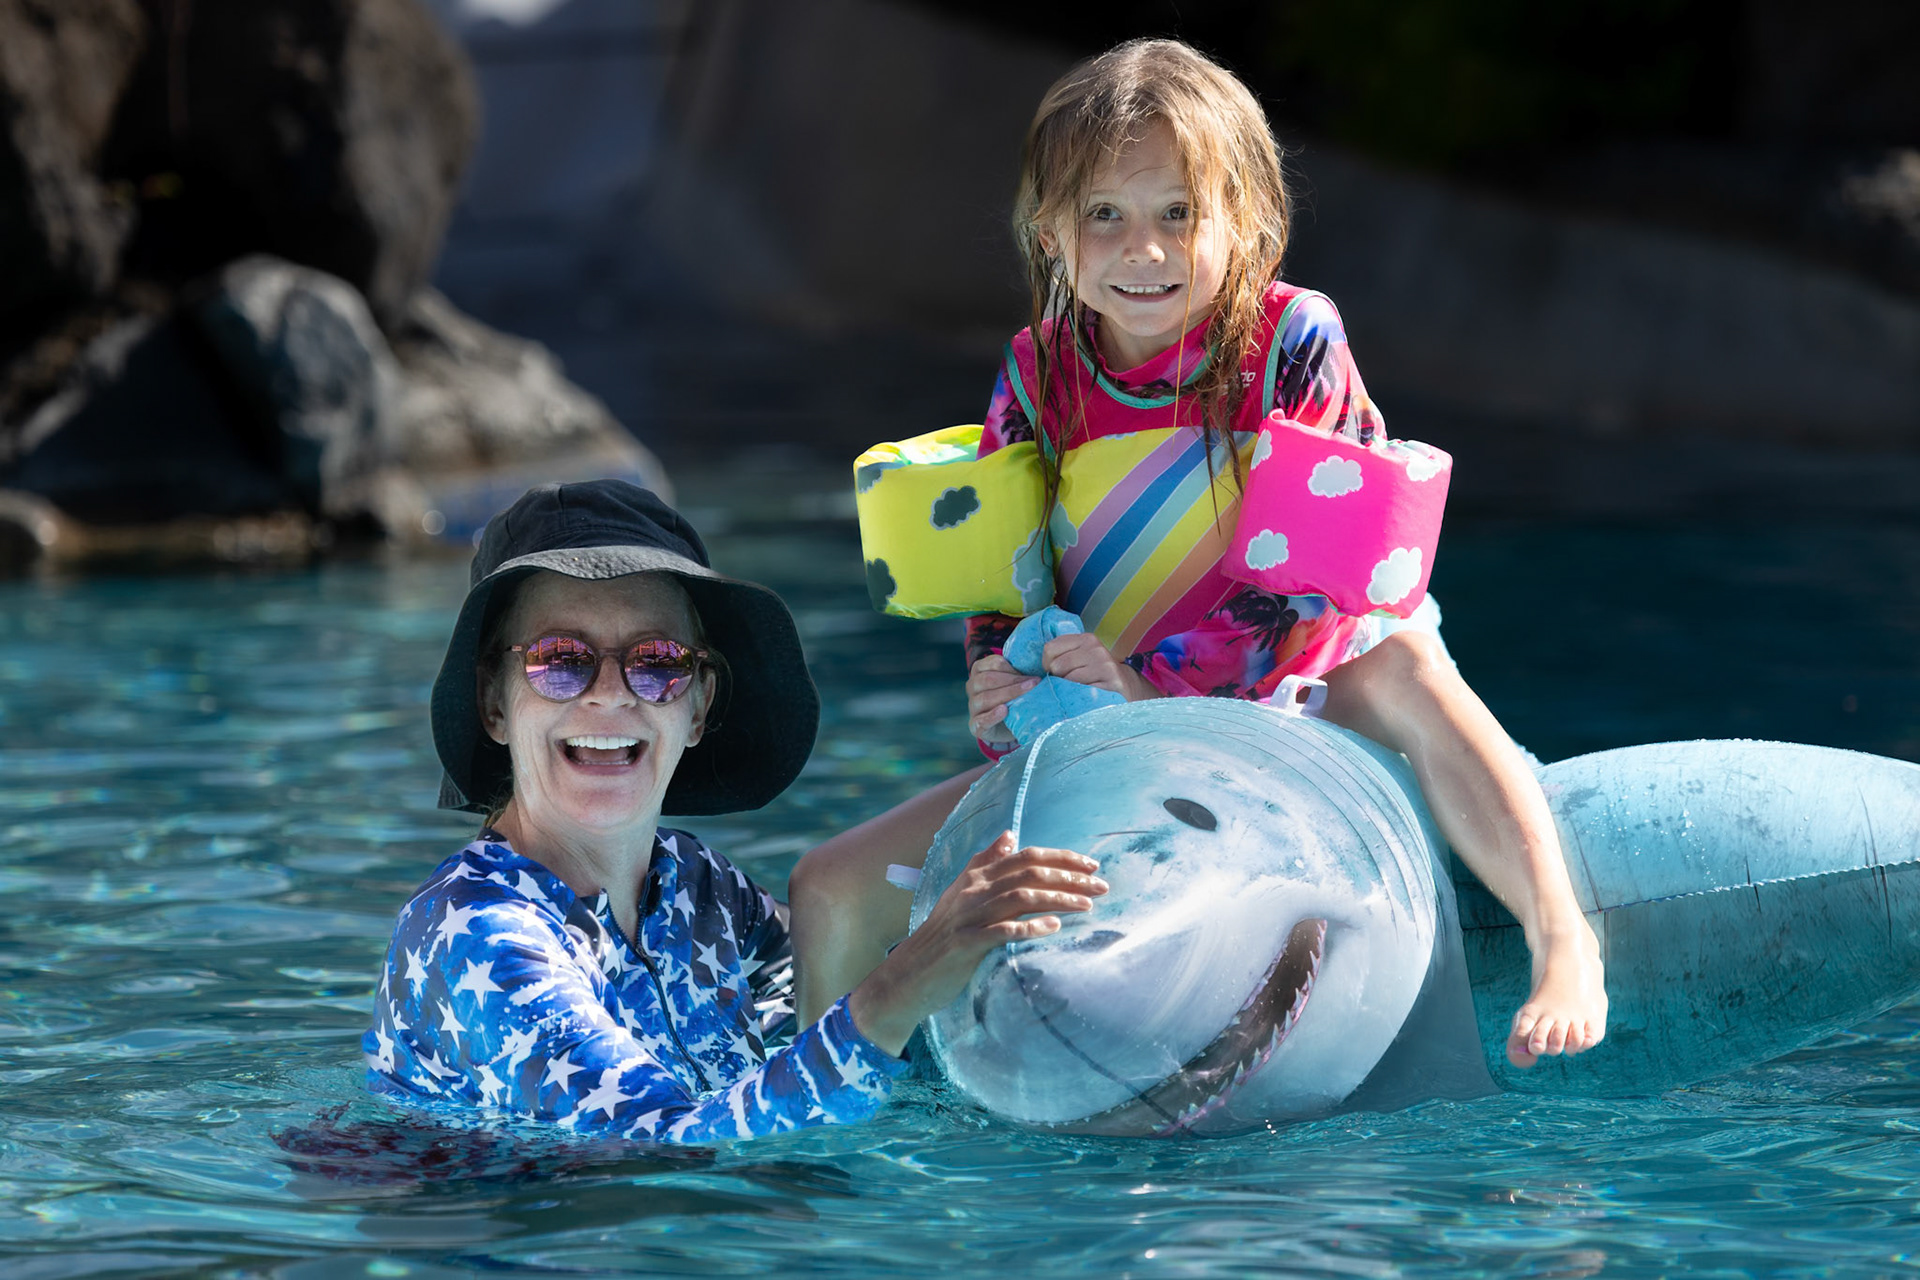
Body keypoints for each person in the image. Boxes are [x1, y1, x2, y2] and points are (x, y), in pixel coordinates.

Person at [792, 39, 1605, 1070]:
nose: (1145, 251)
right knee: (827, 882)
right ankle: (832, 1107)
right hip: (1114, 705)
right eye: (1106, 216)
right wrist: (999, 679)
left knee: (1403, 662)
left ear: (1247, 223)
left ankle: (1560, 932)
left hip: (1308, 674)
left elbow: (1304, 597)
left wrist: (1146, 687)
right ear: (1050, 233)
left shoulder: (1291, 341)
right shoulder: (1038, 373)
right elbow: (1007, 577)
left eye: (1179, 213)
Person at [363, 480, 1106, 1142]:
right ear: (495, 703)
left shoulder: (696, 890)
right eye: (561, 659)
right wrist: (907, 979)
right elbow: (667, 1145)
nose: (610, 694)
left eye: (657, 663)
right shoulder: (473, 935)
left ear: (698, 708)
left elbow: (832, 1011)